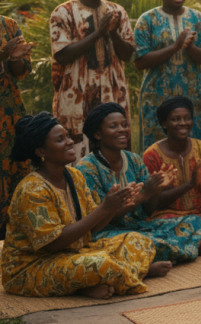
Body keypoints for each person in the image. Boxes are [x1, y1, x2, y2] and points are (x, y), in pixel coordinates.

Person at [2, 112, 171, 298]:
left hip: (73, 253)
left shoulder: (74, 176)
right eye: (60, 139)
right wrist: (105, 207)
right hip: (32, 267)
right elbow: (53, 244)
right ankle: (132, 273)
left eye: (67, 136)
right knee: (99, 263)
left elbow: (96, 225)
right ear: (41, 151)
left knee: (139, 241)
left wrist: (114, 205)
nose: (69, 142)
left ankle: (110, 278)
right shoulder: (32, 190)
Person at [77, 103, 201, 264]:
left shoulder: (134, 160)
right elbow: (100, 219)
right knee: (137, 242)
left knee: (196, 221)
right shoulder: (87, 168)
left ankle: (174, 251)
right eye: (113, 126)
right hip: (107, 233)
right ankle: (181, 249)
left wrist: (156, 190)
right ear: (98, 134)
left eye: (124, 125)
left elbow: (148, 211)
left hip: (140, 227)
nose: (122, 130)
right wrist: (145, 193)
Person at [50, 0, 136, 158]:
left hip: (113, 90)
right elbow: (62, 55)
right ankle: (79, 187)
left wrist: (113, 33)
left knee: (114, 144)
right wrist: (98, 33)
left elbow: (127, 54)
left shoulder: (118, 11)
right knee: (77, 145)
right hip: (76, 92)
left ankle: (119, 186)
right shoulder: (63, 12)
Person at [134, 0, 201, 150]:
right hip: (157, 96)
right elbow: (140, 61)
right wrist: (175, 47)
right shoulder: (147, 20)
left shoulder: (198, 18)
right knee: (156, 146)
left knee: (196, 145)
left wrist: (190, 48)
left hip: (192, 94)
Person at [142, 97, 201, 248]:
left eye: (187, 118)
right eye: (175, 119)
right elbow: (152, 203)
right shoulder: (152, 155)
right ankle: (200, 241)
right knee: (165, 228)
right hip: (170, 218)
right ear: (164, 124)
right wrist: (190, 184)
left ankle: (193, 241)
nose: (183, 123)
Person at [0, 0, 35, 239]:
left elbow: (21, 72)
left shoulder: (9, 25)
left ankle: (9, 231)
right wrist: (4, 54)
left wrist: (16, 59)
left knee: (12, 162)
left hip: (7, 109)